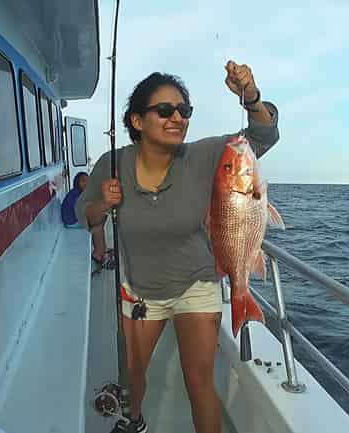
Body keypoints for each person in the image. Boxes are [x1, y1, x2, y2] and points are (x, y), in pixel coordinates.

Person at [75, 60, 279, 433]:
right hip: (140, 291)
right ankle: (134, 420)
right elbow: (86, 218)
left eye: (184, 111)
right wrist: (102, 203)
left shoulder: (202, 156)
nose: (177, 118)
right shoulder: (113, 164)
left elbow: (262, 136)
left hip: (196, 284)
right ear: (137, 121)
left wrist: (250, 96)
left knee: (199, 382)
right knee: (134, 379)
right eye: (165, 110)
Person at [62, 172, 113, 271]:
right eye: (83, 181)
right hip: (72, 223)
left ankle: (102, 250)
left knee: (101, 219)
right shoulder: (77, 195)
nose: (86, 183)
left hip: (74, 219)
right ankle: (98, 255)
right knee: (97, 226)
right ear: (77, 182)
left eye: (88, 180)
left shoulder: (78, 192)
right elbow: (82, 214)